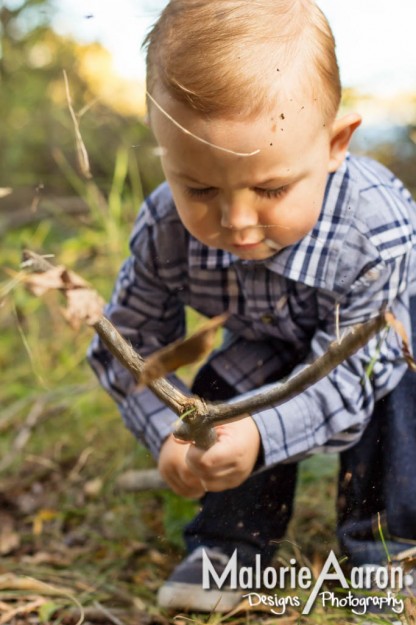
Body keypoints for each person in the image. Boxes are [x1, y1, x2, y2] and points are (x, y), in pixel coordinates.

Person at [88, 0, 416, 614]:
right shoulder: (164, 226)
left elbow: (351, 377)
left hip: (378, 351)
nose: (237, 223)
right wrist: (170, 431)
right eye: (201, 188)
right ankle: (230, 547)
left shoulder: (376, 229)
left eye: (271, 189)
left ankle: (388, 547)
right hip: (265, 345)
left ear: (335, 144)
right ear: (165, 154)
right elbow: (129, 345)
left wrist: (265, 433)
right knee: (224, 391)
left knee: (399, 391)